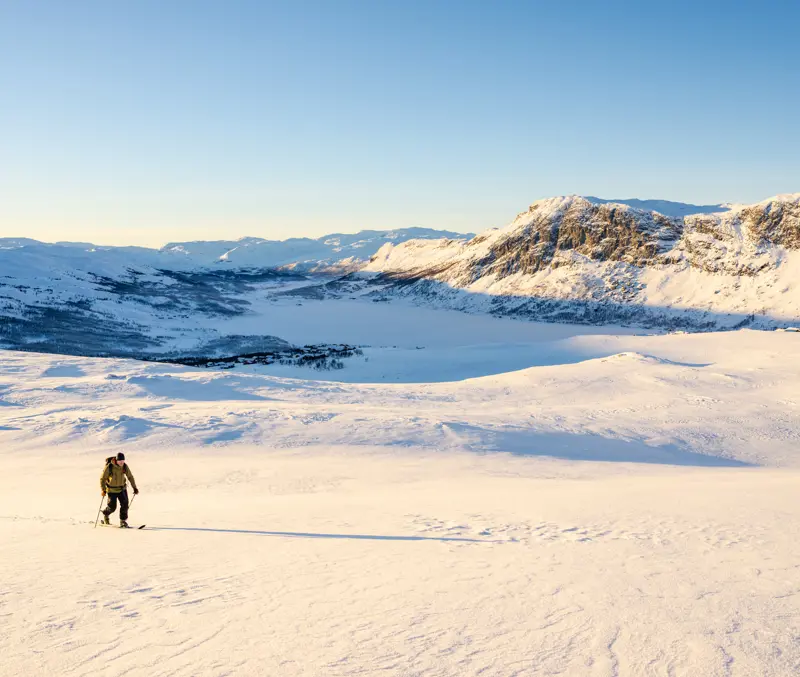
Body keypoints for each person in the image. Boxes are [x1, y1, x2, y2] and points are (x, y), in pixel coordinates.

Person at [100, 452, 139, 527]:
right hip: (111, 490)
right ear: (116, 460)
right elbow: (103, 478)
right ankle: (106, 514)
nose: (121, 462)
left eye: (123, 461)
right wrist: (103, 489)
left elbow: (130, 476)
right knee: (112, 507)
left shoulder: (124, 466)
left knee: (125, 505)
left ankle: (123, 521)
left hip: (122, 489)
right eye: (120, 461)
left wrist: (134, 487)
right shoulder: (110, 467)